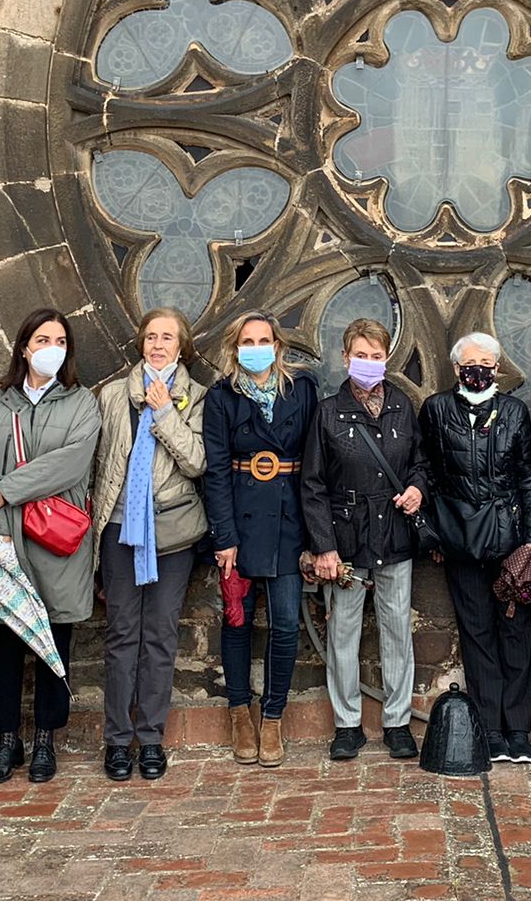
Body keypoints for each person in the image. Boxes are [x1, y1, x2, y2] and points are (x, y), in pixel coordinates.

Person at [0, 308, 101, 785]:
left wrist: (8, 488)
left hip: (59, 538)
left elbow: (71, 464)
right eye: (42, 338)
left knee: (55, 639)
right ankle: (7, 739)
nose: (52, 347)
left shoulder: (82, 403)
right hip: (6, 533)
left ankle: (46, 736)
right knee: (4, 639)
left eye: (61, 340)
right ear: (24, 346)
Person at [301, 317, 428, 762]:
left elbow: (420, 463)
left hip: (393, 534)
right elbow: (312, 484)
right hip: (346, 538)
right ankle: (347, 725)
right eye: (361, 355)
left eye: (376, 356)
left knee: (396, 631)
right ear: (345, 357)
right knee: (343, 633)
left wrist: (417, 488)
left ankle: (397, 722)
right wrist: (325, 546)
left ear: (387, 359)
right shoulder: (328, 411)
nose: (369, 363)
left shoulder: (401, 407)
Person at [92, 307, 210, 782]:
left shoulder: (196, 397)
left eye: (168, 338)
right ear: (141, 343)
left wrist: (164, 413)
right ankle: (118, 740)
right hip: (120, 528)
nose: (158, 345)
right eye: (151, 337)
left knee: (160, 636)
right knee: (122, 635)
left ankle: (152, 738)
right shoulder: (112, 394)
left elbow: (198, 461)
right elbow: (99, 458)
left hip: (172, 534)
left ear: (182, 348)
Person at [420, 332, 531, 764]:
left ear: (497, 368)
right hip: (461, 540)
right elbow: (428, 474)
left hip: (509, 539)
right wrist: (433, 534)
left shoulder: (513, 411)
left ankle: (518, 728)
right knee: (477, 632)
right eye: (472, 364)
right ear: (457, 368)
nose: (480, 371)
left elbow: (528, 479)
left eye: (488, 364)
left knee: (517, 630)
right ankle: (489, 727)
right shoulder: (436, 410)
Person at [203, 312, 318, 769]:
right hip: (240, 522)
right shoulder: (221, 397)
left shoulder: (302, 390)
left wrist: (315, 535)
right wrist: (224, 536)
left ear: (277, 345)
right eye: (247, 341)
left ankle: (272, 715)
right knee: (237, 622)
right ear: (235, 349)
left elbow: (314, 463)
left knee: (287, 623)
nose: (256, 347)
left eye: (263, 339)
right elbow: (215, 471)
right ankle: (238, 713)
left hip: (289, 519)